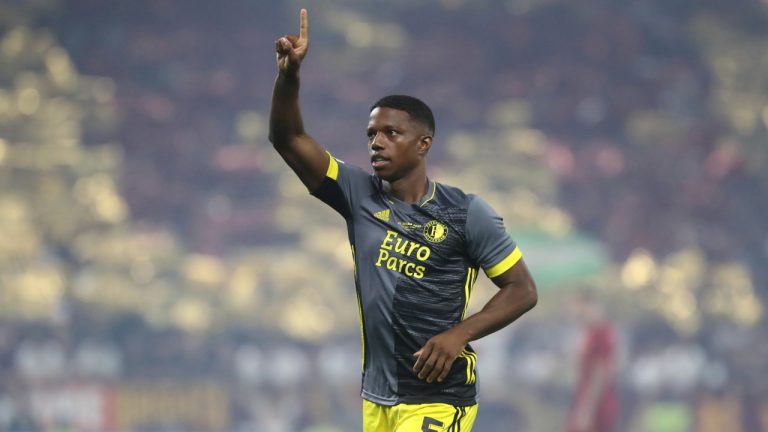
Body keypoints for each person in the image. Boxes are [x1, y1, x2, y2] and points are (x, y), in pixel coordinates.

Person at [269, 9, 538, 431]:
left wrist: (459, 334)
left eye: (391, 133)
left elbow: (522, 289)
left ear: (423, 143)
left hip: (439, 396)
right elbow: (287, 139)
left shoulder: (466, 212)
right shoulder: (358, 195)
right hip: (378, 398)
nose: (377, 142)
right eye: (372, 134)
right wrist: (289, 77)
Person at [566, 292, 619, 432]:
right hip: (586, 398)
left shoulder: (601, 334)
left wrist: (587, 409)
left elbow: (600, 371)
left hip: (596, 401)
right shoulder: (588, 333)